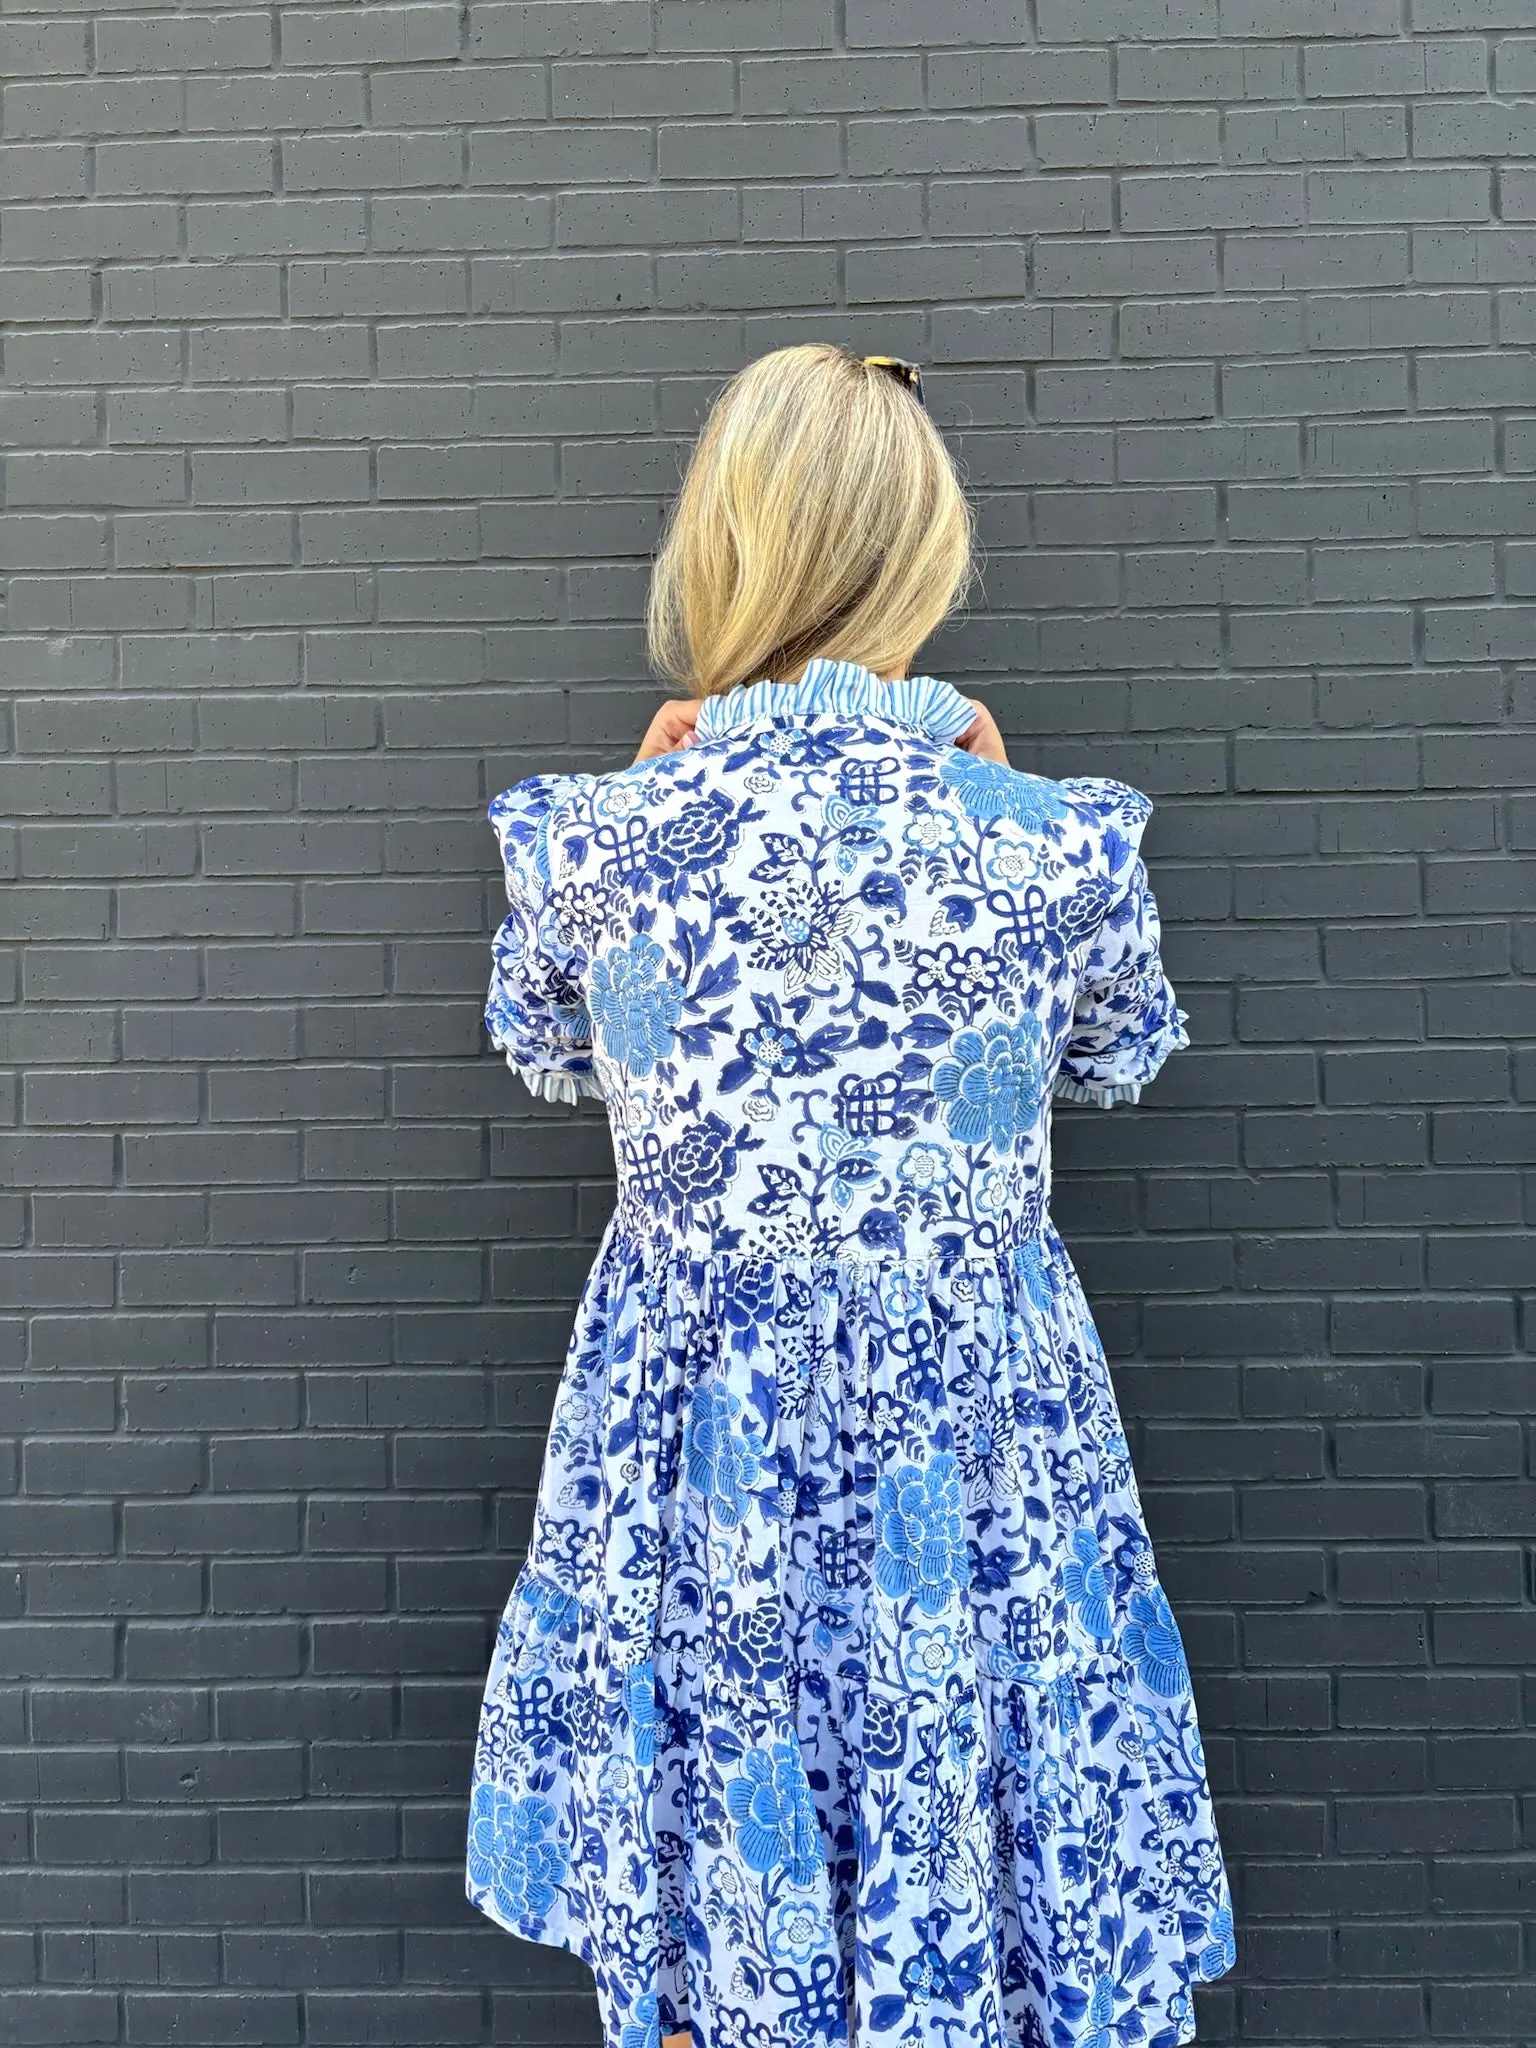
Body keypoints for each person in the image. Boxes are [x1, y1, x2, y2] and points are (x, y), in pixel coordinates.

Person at [465, 343, 1236, 2048]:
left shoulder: (594, 842)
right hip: (969, 1468)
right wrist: (1003, 791)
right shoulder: (1051, 844)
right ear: (921, 549)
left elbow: (544, 1045)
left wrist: (655, 792)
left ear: (727, 542)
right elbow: (1118, 1059)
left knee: (709, 1951)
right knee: (988, 1869)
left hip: (701, 1478)